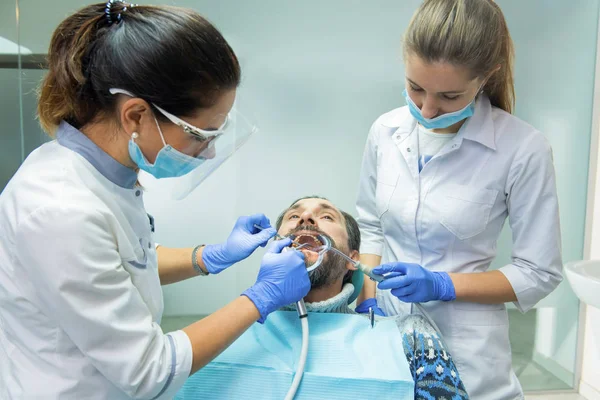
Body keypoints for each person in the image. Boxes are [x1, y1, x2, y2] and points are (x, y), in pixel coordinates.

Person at [0, 2, 310, 399]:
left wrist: (209, 257)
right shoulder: (60, 209)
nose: (210, 152)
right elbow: (150, 371)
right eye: (202, 134)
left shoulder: (108, 174)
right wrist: (260, 298)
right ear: (135, 116)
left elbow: (124, 262)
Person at [355, 1, 563, 399]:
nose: (426, 110)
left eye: (449, 96)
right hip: (385, 337)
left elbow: (539, 272)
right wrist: (367, 300)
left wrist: (443, 284)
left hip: (469, 352)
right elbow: (371, 226)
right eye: (415, 88)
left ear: (487, 77)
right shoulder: (385, 130)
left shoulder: (522, 149)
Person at [174, 196, 469, 400]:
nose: (306, 217)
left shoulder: (412, 336)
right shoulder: (213, 335)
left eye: (326, 216)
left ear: (353, 260)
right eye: (293, 216)